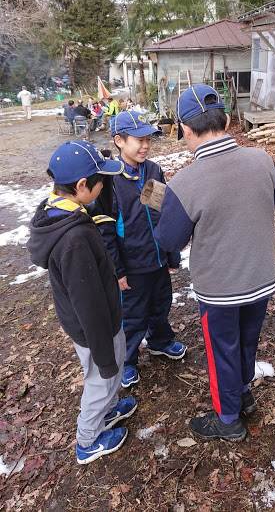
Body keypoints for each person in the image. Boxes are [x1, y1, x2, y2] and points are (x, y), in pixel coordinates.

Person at [154, 84, 275, 441]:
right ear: (225, 120)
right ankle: (243, 393)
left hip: (220, 288)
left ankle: (227, 420)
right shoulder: (262, 160)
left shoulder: (186, 183)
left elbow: (169, 240)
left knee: (221, 351)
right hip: (260, 276)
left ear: (185, 129)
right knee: (247, 341)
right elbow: (273, 198)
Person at [27, 141, 137, 464]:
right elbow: (88, 304)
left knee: (110, 374)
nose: (104, 185)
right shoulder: (73, 240)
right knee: (102, 377)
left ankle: (108, 405)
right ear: (80, 186)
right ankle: (87, 439)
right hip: (95, 329)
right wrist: (103, 354)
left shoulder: (63, 211)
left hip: (100, 321)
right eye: (100, 181)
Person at [96, 110, 187, 389]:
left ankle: (160, 341)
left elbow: (160, 213)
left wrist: (170, 251)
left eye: (148, 139)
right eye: (138, 140)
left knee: (160, 304)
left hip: (157, 259)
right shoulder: (110, 180)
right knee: (133, 316)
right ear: (119, 141)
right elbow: (107, 231)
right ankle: (128, 361)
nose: (145, 145)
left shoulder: (152, 170)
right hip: (132, 265)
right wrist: (118, 270)